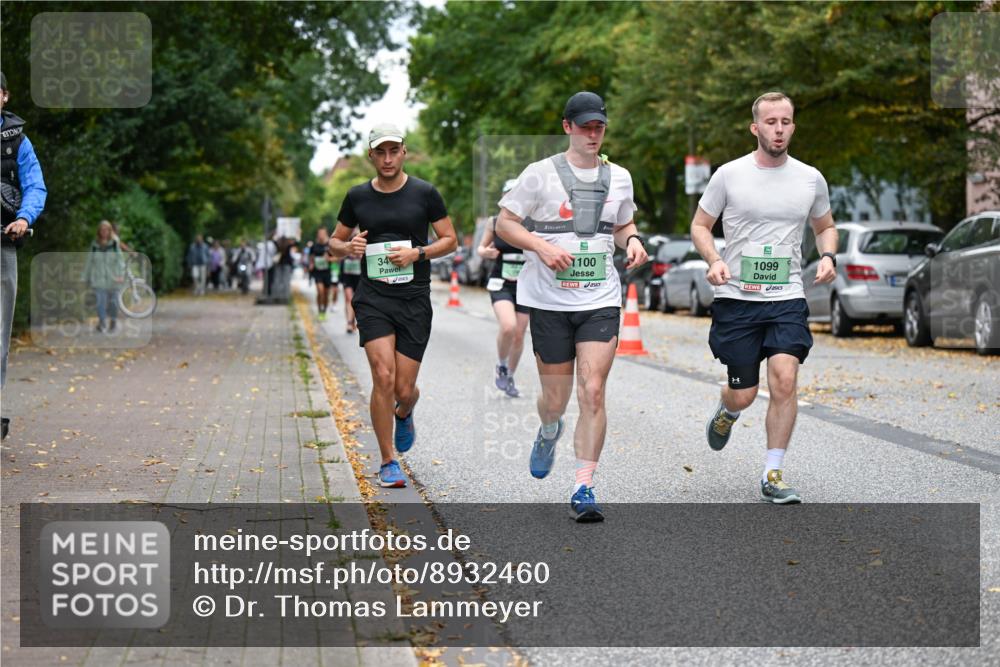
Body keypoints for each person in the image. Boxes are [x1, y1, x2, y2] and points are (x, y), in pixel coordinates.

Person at [496, 92, 648, 522]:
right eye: (584, 126)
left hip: (599, 299)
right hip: (548, 302)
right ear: (567, 127)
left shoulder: (619, 177)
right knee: (555, 400)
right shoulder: (539, 175)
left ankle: (584, 486)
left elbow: (622, 224)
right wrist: (541, 247)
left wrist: (633, 240)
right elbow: (504, 222)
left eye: (599, 126)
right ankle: (548, 430)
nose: (592, 133)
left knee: (593, 391)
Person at [690, 91, 837, 504]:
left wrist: (828, 254)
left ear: (793, 126)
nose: (778, 129)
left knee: (786, 379)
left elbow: (826, 226)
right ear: (756, 128)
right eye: (770, 122)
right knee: (745, 393)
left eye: (785, 121)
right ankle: (728, 409)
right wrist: (714, 258)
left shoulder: (810, 178)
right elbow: (700, 226)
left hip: (787, 295)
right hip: (736, 298)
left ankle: (773, 472)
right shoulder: (729, 175)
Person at [328, 123, 457, 488]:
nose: (387, 159)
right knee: (382, 377)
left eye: (393, 151)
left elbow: (450, 240)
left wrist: (418, 252)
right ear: (371, 156)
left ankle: (406, 409)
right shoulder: (356, 197)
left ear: (403, 153)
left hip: (414, 299)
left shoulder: (424, 193)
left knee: (403, 388)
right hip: (373, 298)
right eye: (379, 152)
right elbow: (333, 244)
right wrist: (347, 247)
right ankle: (387, 461)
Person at [1, 71, 47, 441]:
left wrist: (22, 218)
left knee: (0, 333)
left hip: (3, 243)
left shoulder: (18, 143)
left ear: (4, 97)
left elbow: (35, 185)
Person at [478, 178, 529, 398]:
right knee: (508, 326)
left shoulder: (534, 222)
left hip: (527, 285)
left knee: (519, 334)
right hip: (501, 282)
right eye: (510, 195)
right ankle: (501, 363)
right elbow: (481, 247)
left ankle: (509, 375)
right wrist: (485, 252)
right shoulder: (495, 222)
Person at [82, 221, 125, 333]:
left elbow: (120, 260)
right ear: (99, 231)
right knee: (100, 303)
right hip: (98, 279)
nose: (104, 232)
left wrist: (120, 275)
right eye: (102, 230)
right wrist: (84, 277)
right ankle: (102, 323)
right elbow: (89, 261)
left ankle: (113, 322)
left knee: (114, 303)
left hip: (113, 279)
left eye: (106, 230)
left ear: (110, 231)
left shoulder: (115, 243)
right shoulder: (95, 245)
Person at [339, 232, 363, 334]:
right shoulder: (347, 248)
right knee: (349, 299)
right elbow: (338, 257)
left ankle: (353, 322)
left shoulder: (362, 249)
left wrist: (359, 255)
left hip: (359, 278)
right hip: (347, 276)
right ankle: (349, 323)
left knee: (355, 301)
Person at [310, 227, 334, 321]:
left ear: (326, 234)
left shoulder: (329, 245)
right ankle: (320, 310)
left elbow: (337, 258)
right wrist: (311, 264)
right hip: (317, 272)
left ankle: (324, 311)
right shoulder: (314, 246)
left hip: (327, 272)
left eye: (322, 233)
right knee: (320, 291)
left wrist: (329, 259)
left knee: (326, 294)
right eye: (319, 233)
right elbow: (311, 257)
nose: (321, 235)